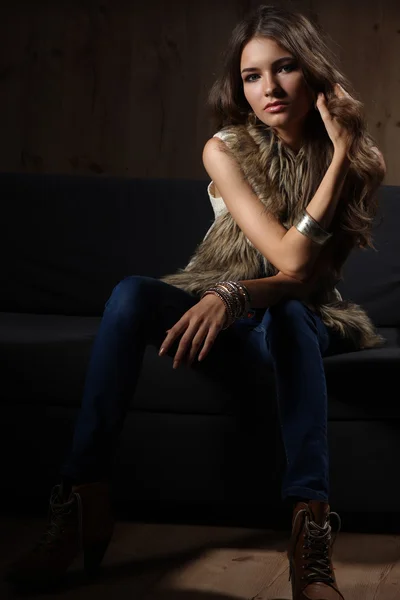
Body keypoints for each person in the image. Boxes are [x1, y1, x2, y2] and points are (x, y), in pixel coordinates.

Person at [6, 4, 386, 599]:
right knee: (131, 293)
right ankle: (82, 500)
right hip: (216, 297)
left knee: (288, 312)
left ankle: (310, 537)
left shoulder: (358, 163)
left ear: (313, 73)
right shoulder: (226, 149)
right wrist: (226, 293)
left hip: (306, 312)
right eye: (252, 76)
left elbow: (300, 273)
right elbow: (277, 257)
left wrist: (338, 157)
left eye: (284, 68)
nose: (268, 88)